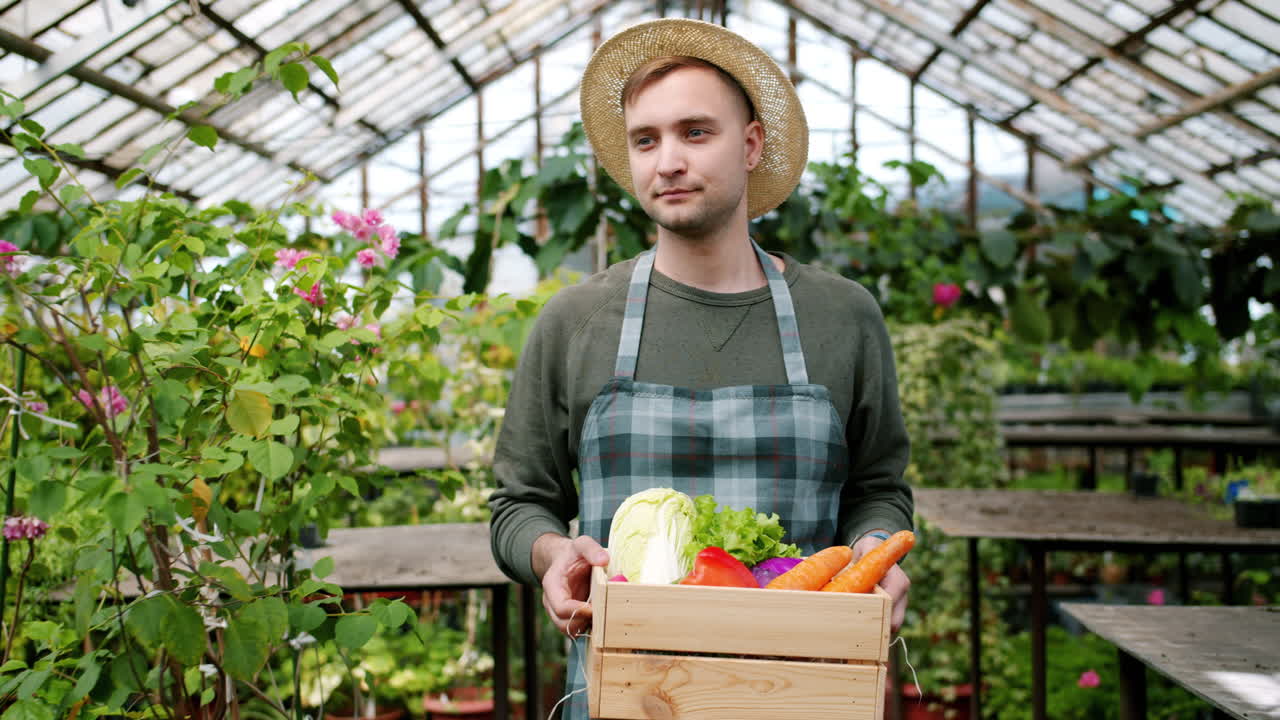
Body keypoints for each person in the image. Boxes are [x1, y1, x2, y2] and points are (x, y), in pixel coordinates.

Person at [488, 17, 913, 718]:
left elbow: (877, 487)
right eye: (645, 140)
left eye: (695, 132)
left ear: (750, 146)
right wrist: (551, 553)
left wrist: (876, 552)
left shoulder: (841, 317)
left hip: (804, 693)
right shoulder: (576, 321)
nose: (668, 161)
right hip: (623, 694)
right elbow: (518, 501)